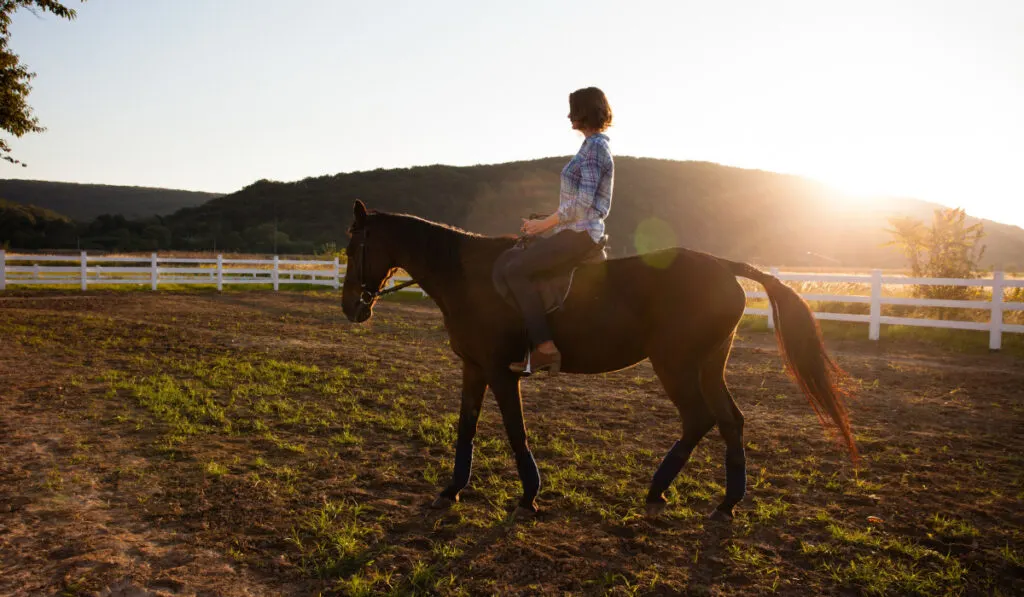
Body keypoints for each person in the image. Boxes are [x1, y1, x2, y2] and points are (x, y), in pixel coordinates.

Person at [505, 86, 615, 374]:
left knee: (514, 270)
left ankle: (544, 348)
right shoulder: (590, 146)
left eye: (573, 109)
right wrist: (545, 220)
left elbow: (582, 205)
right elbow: (576, 206)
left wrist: (545, 224)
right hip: (574, 230)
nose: (569, 116)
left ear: (585, 112)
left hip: (580, 235)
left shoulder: (594, 149)